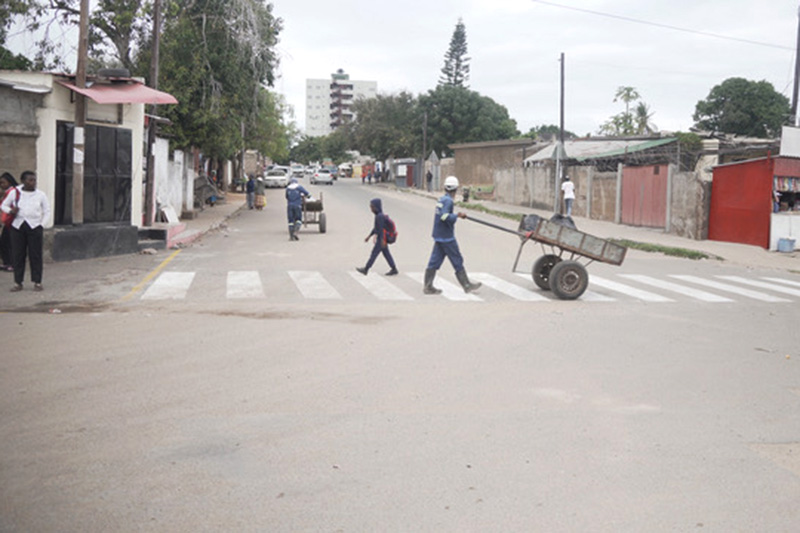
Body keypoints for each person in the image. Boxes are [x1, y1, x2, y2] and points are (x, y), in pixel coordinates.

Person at [423, 175, 481, 295]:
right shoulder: (449, 201)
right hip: (446, 238)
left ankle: (428, 286)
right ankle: (466, 285)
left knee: (434, 261)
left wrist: (456, 215)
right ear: (455, 189)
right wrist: (457, 216)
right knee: (457, 259)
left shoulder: (442, 199)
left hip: (439, 236)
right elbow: (444, 216)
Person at [0, 170, 50, 292]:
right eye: (30, 180)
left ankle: (37, 281)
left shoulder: (40, 195)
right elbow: (3, 205)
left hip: (34, 226)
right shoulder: (15, 192)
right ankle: (18, 282)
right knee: (18, 255)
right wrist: (11, 211)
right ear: (23, 181)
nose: (33, 183)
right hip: (18, 226)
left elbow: (47, 210)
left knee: (35, 255)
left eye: (34, 180)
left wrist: (41, 225)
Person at [356, 198, 398, 276]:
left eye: (372, 207)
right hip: (383, 238)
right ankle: (394, 268)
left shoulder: (379, 216)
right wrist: (369, 236)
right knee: (386, 254)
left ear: (376, 207)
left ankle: (366, 269)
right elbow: (376, 228)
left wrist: (382, 240)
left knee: (374, 254)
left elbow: (381, 229)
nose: (371, 209)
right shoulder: (379, 216)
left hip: (382, 239)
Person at [0, 172, 18, 271]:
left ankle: (12, 263)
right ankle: (7, 262)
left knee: (9, 243)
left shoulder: (12, 192)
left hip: (11, 221)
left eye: (3, 183)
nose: (1, 185)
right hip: (7, 221)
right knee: (4, 243)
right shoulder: (6, 192)